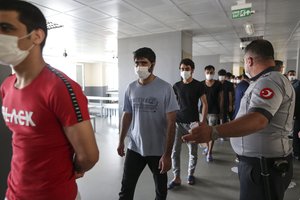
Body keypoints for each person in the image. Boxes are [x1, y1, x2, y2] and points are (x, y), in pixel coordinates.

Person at [0, 1, 99, 200]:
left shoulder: (60, 88)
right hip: (15, 191)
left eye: (5, 28)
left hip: (53, 194)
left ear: (36, 36)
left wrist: (72, 170)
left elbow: (88, 156)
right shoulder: (7, 86)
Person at [183, 39, 295, 200]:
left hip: (264, 166)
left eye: (245, 61)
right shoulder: (263, 81)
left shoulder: (269, 81)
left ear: (249, 61)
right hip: (258, 163)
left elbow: (258, 119)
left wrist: (214, 131)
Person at [117, 47, 179, 200]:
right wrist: (120, 141)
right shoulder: (131, 88)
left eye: (143, 63)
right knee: (126, 189)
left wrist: (167, 155)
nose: (139, 67)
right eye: (136, 63)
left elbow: (171, 124)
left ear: (153, 64)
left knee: (160, 191)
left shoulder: (165, 88)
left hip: (158, 150)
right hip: (135, 147)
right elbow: (127, 115)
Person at [167, 58, 208, 189]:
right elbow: (172, 104)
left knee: (193, 151)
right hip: (178, 122)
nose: (184, 71)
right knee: (175, 151)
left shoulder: (198, 85)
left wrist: (202, 122)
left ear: (192, 70)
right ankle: (176, 177)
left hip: (193, 123)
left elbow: (205, 104)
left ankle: (191, 174)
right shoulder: (176, 86)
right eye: (182, 69)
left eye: (187, 69)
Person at [200, 65, 223, 162]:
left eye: (211, 72)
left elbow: (221, 98)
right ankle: (207, 147)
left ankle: (209, 152)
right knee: (204, 131)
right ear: (204, 73)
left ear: (214, 73)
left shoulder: (218, 84)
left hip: (214, 111)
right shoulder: (201, 84)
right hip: (203, 111)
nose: (209, 74)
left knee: (211, 132)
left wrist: (221, 111)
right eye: (207, 72)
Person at [287, 70, 300, 161]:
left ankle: (297, 152)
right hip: (296, 114)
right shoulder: (296, 85)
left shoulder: (297, 85)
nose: (292, 76)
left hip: (297, 114)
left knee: (296, 133)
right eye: (290, 74)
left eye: (293, 74)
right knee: (296, 133)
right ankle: (296, 152)